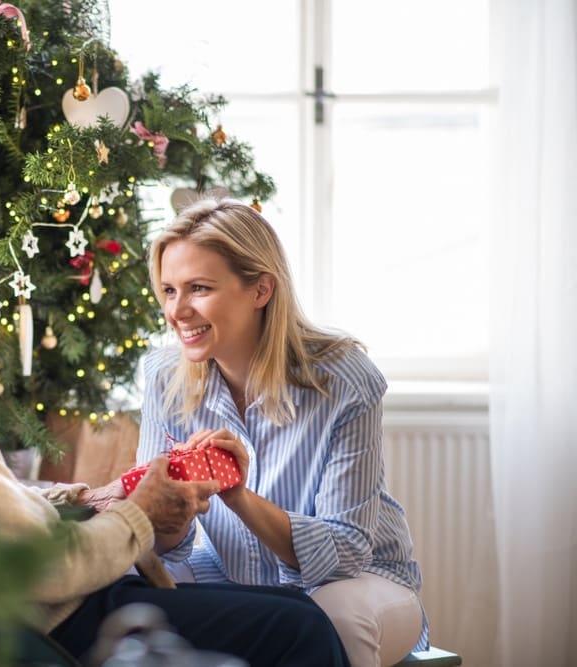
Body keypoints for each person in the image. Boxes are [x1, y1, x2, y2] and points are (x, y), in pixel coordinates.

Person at [0, 212, 350, 666]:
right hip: (55, 629)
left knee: (299, 612)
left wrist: (93, 496)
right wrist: (140, 511)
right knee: (300, 628)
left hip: (58, 614)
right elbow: (49, 568)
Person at [138, 198, 427, 667]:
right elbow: (161, 545)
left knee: (332, 618)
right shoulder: (163, 378)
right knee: (147, 604)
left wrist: (239, 497)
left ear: (261, 290)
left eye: (199, 288)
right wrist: (168, 511)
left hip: (359, 582)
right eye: (169, 291)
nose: (178, 311)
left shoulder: (344, 379)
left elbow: (346, 553)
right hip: (229, 574)